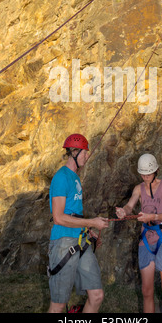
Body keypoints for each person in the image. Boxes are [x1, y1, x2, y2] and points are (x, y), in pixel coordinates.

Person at [47, 133, 109, 313]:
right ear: (73, 152)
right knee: (58, 305)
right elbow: (59, 217)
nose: (87, 156)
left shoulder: (75, 178)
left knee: (96, 296)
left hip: (81, 241)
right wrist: (92, 222)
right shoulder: (61, 177)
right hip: (63, 243)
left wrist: (88, 229)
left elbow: (73, 214)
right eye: (84, 152)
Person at [116, 153, 162, 313]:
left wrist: (153, 216)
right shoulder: (138, 188)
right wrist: (123, 211)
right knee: (147, 291)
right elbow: (130, 206)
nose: (145, 176)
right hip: (146, 240)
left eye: (148, 173)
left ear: (155, 170)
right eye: (142, 173)